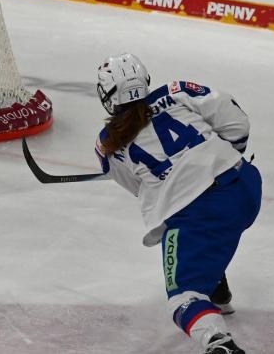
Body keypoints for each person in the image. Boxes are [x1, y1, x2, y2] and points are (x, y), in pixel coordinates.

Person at [93, 53, 261, 354]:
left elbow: (144, 191)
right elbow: (238, 125)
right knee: (201, 233)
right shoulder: (177, 91)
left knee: (182, 297)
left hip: (202, 214)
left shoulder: (107, 145)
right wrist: (221, 159)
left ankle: (218, 344)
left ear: (107, 97)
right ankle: (214, 283)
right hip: (246, 187)